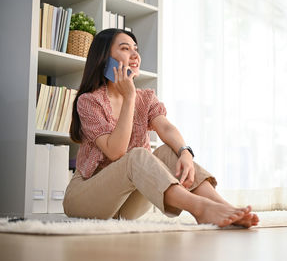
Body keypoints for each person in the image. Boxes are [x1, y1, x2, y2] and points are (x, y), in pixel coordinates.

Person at [63, 28, 259, 228]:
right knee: (137, 155)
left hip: (126, 204)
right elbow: (116, 152)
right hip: (87, 198)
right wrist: (129, 96)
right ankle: (201, 208)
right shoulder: (89, 101)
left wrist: (185, 152)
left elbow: (165, 128)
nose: (135, 55)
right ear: (105, 59)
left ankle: (225, 208)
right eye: (125, 48)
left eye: (135, 49)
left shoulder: (145, 98)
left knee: (169, 151)